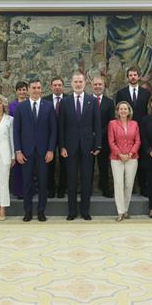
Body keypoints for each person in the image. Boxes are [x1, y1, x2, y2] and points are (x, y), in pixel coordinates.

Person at [60, 72, 101, 221]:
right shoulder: (65, 102)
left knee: (86, 180)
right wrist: (62, 146)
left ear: (85, 84)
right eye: (75, 82)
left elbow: (97, 124)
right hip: (69, 147)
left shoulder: (92, 101)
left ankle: (85, 211)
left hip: (88, 147)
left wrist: (98, 145)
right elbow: (61, 127)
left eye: (80, 82)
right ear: (71, 84)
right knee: (71, 180)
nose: (78, 84)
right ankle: (71, 211)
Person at [14, 79, 57, 222]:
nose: (36, 90)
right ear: (28, 90)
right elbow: (16, 131)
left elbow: (53, 130)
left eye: (39, 87)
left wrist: (51, 150)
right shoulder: (21, 107)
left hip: (44, 152)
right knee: (27, 183)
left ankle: (41, 211)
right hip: (26, 152)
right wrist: (18, 151)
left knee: (43, 183)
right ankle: (27, 211)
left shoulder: (49, 106)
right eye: (33, 88)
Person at [115, 66, 151, 196]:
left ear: (139, 77)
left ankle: (143, 188)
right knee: (124, 161)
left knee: (141, 161)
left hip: (141, 131)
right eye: (130, 75)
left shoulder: (146, 93)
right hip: (125, 133)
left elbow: (149, 113)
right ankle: (125, 190)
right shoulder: (121, 93)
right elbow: (118, 113)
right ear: (127, 77)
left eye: (135, 75)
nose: (133, 77)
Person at [108, 102, 140, 222]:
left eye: (125, 109)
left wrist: (131, 153)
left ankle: (125, 209)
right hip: (117, 158)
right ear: (117, 111)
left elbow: (138, 141)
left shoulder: (134, 124)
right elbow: (111, 141)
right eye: (121, 109)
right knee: (118, 184)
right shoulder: (112, 123)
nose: (123, 111)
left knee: (128, 184)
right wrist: (120, 154)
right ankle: (120, 211)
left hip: (132, 158)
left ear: (129, 111)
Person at [43, 77, 67, 199]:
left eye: (59, 85)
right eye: (55, 85)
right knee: (49, 164)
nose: (57, 87)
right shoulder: (44, 100)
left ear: (63, 86)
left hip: (66, 136)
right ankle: (50, 189)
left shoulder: (69, 99)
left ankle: (62, 189)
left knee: (65, 164)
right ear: (51, 87)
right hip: (48, 136)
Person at [92, 76, 115, 197]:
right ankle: (87, 189)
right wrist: (92, 134)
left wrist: (99, 133)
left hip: (105, 140)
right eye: (95, 84)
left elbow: (111, 122)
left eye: (100, 84)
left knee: (104, 166)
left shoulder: (109, 102)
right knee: (88, 167)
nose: (97, 87)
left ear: (104, 86)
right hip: (89, 139)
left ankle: (105, 188)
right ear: (91, 86)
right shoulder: (87, 100)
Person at [8, 81, 28, 200]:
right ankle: (19, 191)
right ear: (16, 92)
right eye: (19, 90)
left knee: (29, 167)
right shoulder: (11, 106)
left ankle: (29, 189)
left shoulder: (31, 103)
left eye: (24, 89)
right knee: (18, 167)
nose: (22, 92)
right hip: (16, 139)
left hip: (29, 139)